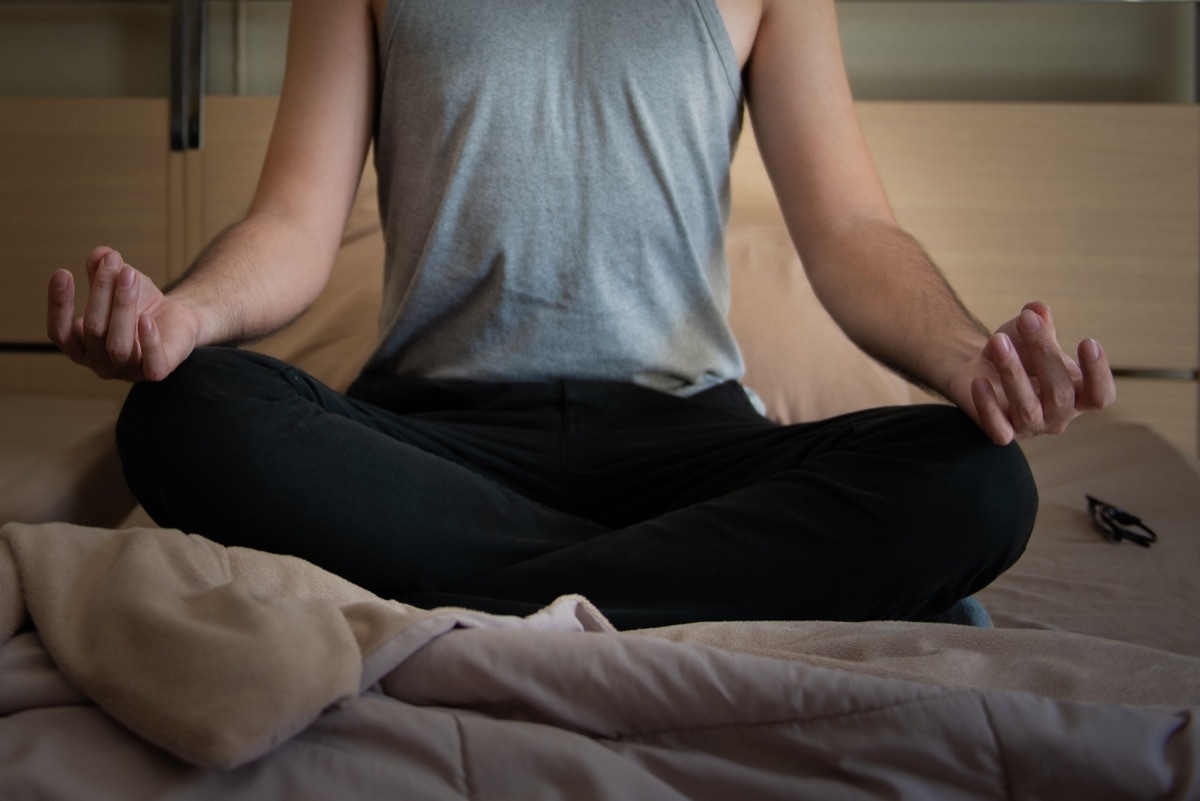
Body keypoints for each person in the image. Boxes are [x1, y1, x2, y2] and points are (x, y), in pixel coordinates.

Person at [45, 0, 1115, 630]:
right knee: (178, 414)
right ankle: (668, 578)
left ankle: (487, 600)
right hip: (430, 444)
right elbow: (290, 221)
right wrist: (182, 315)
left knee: (977, 482)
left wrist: (969, 355)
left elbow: (849, 233)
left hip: (688, 443)